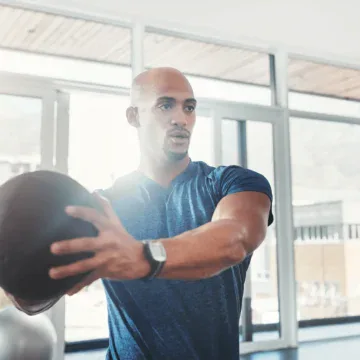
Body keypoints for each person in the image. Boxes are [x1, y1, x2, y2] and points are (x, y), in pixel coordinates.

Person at [47, 67, 273, 359]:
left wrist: (143, 256)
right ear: (134, 117)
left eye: (189, 107)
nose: (181, 118)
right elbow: (34, 295)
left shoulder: (233, 183)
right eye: (165, 105)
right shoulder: (102, 207)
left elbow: (236, 238)